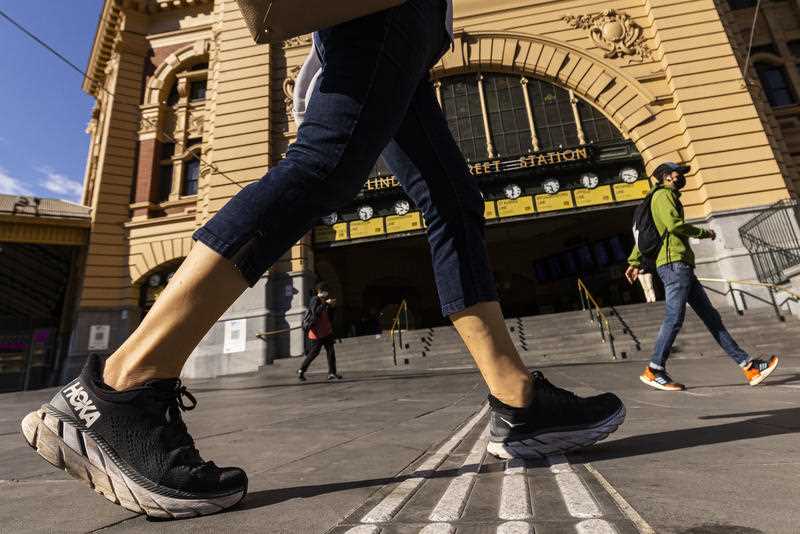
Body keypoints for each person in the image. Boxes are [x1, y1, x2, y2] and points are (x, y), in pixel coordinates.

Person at [21, 0, 625, 519]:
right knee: (325, 165)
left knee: (453, 200)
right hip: (386, 11)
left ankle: (516, 398)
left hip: (414, 31)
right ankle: (123, 386)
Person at [626, 162, 779, 391]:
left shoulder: (659, 198)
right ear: (666, 177)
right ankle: (654, 369)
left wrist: (634, 261)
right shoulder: (663, 196)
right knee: (674, 317)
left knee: (711, 318)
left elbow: (652, 234)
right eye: (678, 174)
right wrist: (703, 232)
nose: (681, 177)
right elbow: (673, 225)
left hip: (680, 265)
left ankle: (749, 367)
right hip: (675, 264)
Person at [298, 283, 340, 381]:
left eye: (326, 291)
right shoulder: (315, 299)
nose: (326, 293)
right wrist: (326, 304)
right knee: (314, 353)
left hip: (326, 331)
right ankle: (301, 370)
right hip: (317, 332)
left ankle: (332, 373)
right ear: (319, 291)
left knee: (331, 352)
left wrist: (332, 307)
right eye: (324, 290)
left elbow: (329, 317)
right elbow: (315, 312)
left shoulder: (323, 300)